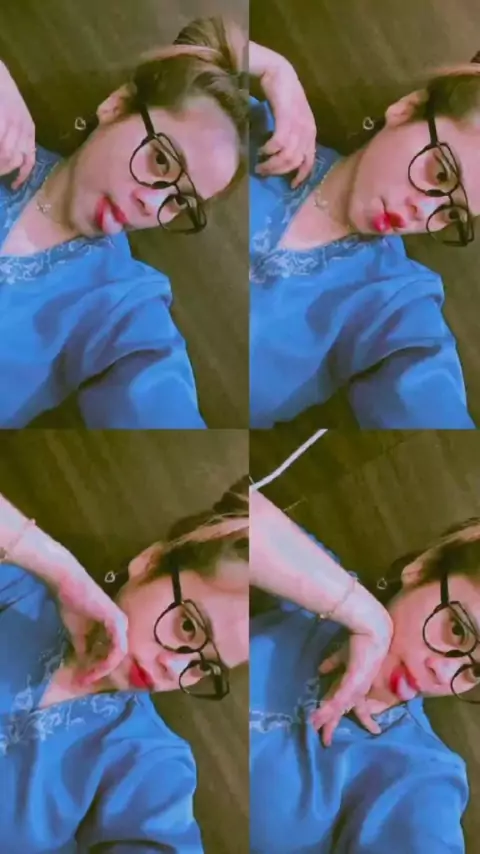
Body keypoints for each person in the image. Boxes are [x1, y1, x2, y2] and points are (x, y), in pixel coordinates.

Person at [0, 16, 248, 428]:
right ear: (117, 106)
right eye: (161, 159)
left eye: (179, 201)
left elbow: (159, 404)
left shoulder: (124, 304)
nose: (151, 203)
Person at [0, 479, 248, 853]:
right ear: (150, 562)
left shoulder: (152, 761)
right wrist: (56, 566)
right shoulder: (18, 593)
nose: (174, 668)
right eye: (187, 626)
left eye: (204, 667)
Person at [249, 40, 480, 428]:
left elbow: (429, 406)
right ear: (406, 109)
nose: (423, 212)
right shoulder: (260, 133)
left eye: (451, 213)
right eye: (440, 173)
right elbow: (176, 67)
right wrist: (273, 68)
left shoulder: (395, 300)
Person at [249, 491, 480, 853]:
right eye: (457, 630)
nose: (444, 671)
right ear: (422, 568)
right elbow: (231, 513)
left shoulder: (422, 772)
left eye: (475, 671)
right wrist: (365, 618)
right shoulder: (317, 588)